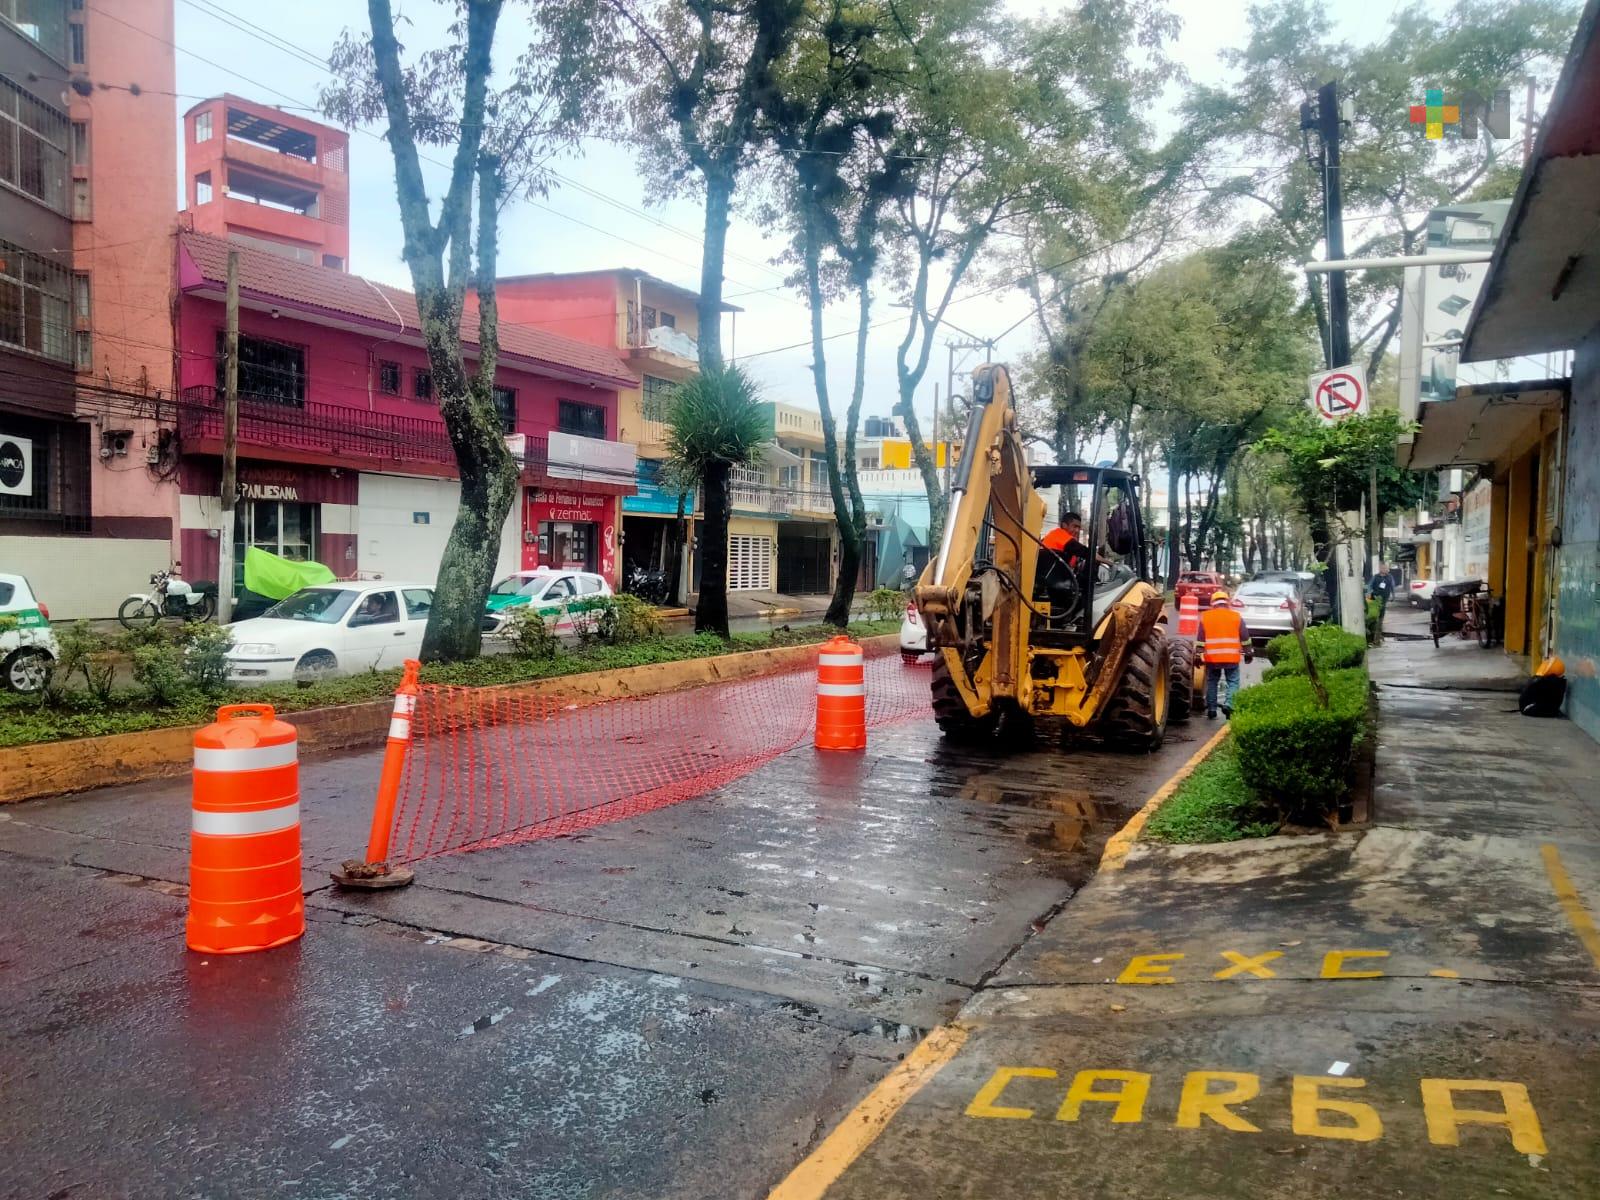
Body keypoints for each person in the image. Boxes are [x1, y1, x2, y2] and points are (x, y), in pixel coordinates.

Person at [1199, 589, 1252, 719]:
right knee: (1233, 682)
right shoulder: (1236, 616)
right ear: (1227, 603)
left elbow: (1200, 639)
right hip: (1231, 658)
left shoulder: (1205, 617)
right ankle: (1229, 704)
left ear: (1213, 603)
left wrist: (1197, 654)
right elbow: (1245, 636)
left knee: (1212, 682)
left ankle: (1211, 709)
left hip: (1212, 658)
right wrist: (1249, 652)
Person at [1368, 563, 1395, 631]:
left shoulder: (1390, 577)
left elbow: (1392, 586)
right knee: (1375, 609)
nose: (1385, 569)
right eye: (1383, 568)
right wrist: (1369, 593)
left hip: (1385, 596)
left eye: (1386, 568)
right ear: (1380, 569)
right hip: (1375, 596)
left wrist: (1393, 595)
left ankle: (1380, 623)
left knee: (1382, 609)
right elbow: (1370, 585)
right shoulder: (1375, 576)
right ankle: (1374, 623)